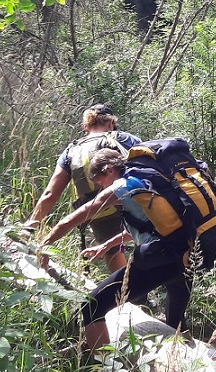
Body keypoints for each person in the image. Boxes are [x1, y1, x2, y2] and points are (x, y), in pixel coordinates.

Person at [38, 147, 216, 352]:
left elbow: (78, 216)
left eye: (100, 181)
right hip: (186, 255)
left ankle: (103, 368)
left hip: (162, 260)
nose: (101, 187)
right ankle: (188, 362)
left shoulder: (124, 185)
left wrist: (45, 244)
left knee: (91, 306)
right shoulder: (149, 180)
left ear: (110, 170)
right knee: (175, 327)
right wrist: (106, 245)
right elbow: (153, 225)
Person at [23, 104, 139, 272]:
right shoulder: (124, 139)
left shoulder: (72, 150)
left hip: (97, 211)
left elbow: (50, 194)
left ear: (85, 126)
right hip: (131, 199)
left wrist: (29, 228)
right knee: (145, 241)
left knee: (113, 252)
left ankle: (132, 294)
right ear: (111, 123)